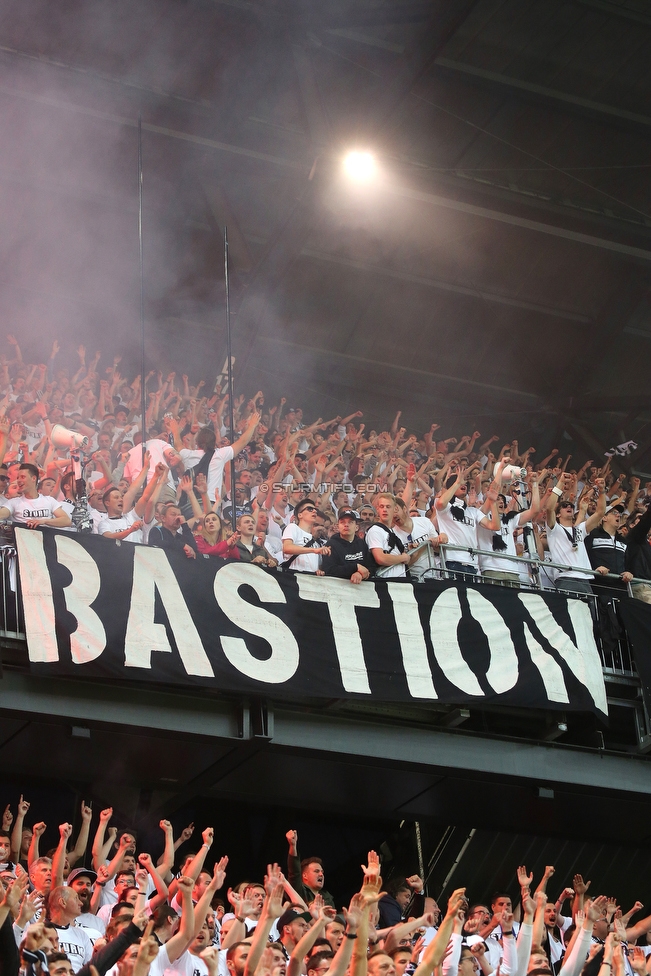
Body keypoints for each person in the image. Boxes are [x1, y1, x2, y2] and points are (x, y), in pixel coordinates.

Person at [545, 475, 606, 597]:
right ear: (557, 515)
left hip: (585, 578)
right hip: (565, 578)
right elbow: (549, 508)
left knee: (589, 614)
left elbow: (600, 513)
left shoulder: (580, 529)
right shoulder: (554, 529)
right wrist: (561, 483)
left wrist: (602, 491)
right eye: (564, 506)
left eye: (571, 506)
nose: (569, 507)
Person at [435, 466, 500, 579]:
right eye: (460, 482)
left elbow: (494, 526)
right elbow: (440, 503)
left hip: (472, 564)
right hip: (452, 561)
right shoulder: (446, 508)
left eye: (465, 483)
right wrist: (456, 483)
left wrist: (493, 503)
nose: (464, 484)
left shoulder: (473, 511)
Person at [0, 463, 72, 529]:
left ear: (33, 478)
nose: (18, 480)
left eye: (22, 477)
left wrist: (44, 521)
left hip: (46, 540)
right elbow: (2, 514)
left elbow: (66, 521)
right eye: (18, 477)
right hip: (23, 540)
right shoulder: (13, 503)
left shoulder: (49, 500)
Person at [392, 498, 444, 582]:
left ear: (405, 509)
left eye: (396, 510)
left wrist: (440, 539)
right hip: (412, 580)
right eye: (391, 513)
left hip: (432, 576)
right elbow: (403, 564)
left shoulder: (424, 521)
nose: (394, 515)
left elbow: (438, 549)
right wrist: (423, 546)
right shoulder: (392, 535)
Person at [321, 508, 373, 583]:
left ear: (356, 527)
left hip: (361, 589)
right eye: (342, 522)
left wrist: (360, 574)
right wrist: (355, 567)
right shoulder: (331, 544)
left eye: (350, 522)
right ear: (338, 526)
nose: (346, 525)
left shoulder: (362, 544)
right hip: (337, 588)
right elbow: (329, 570)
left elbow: (372, 567)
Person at [366, 493, 411, 579]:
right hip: (386, 581)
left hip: (398, 581)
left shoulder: (391, 531)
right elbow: (380, 558)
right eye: (382, 507)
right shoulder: (375, 530)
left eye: (388, 507)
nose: (385, 510)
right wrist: (402, 558)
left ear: (395, 509)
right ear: (377, 509)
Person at [281, 499, 330, 574]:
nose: (314, 511)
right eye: (310, 509)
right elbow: (287, 548)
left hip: (309, 581)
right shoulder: (293, 527)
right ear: (300, 515)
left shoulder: (316, 542)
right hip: (293, 577)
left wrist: (319, 571)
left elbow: (317, 566)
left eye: (315, 509)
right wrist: (314, 550)